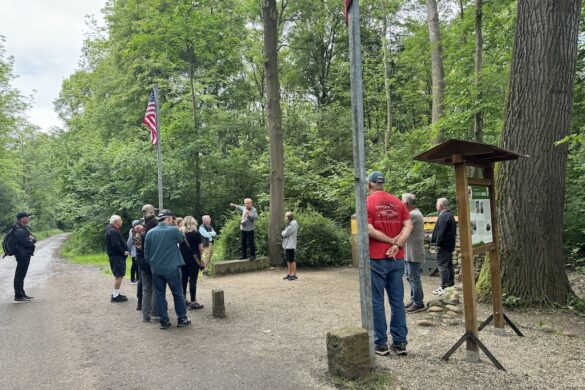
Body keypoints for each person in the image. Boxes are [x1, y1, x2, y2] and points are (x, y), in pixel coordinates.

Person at [366, 171, 413, 356]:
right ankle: (400, 343)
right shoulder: (398, 202)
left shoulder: (367, 202)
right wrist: (398, 243)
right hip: (397, 258)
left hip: (376, 258)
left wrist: (390, 241)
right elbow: (408, 224)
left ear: (369, 184)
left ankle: (381, 344)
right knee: (397, 301)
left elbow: (368, 229)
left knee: (377, 301)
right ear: (382, 183)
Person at [144, 209, 191, 329]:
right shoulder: (173, 230)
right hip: (172, 268)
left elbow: (147, 255)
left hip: (156, 269)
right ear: (169, 218)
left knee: (159, 295)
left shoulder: (150, 233)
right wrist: (176, 226)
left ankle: (164, 321)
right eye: (173, 219)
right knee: (178, 293)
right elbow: (182, 239)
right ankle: (182, 318)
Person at [402, 193, 426, 313]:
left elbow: (400, 227)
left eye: (402, 201)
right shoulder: (414, 213)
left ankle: (418, 303)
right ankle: (414, 299)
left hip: (413, 252)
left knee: (414, 278)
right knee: (410, 277)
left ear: (406, 203)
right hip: (410, 252)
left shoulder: (412, 215)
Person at [431, 197, 457, 295]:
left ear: (441, 206)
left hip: (443, 245)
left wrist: (438, 244)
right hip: (449, 245)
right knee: (448, 264)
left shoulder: (443, 216)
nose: (436, 206)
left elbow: (440, 232)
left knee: (442, 265)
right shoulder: (450, 215)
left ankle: (443, 286)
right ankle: (450, 284)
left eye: (437, 204)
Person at [179, 216, 204, 310]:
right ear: (194, 223)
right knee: (193, 280)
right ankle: (193, 301)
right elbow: (201, 248)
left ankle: (183, 299)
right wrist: (201, 257)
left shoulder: (180, 234)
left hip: (182, 259)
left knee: (183, 279)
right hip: (194, 260)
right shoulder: (196, 234)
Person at [139, 204, 159, 322]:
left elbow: (138, 249)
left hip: (143, 263)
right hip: (154, 262)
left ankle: (145, 315)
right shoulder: (155, 230)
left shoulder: (138, 229)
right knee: (156, 288)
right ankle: (155, 313)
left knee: (146, 289)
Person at [11, 211, 36, 303]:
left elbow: (34, 239)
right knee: (19, 275)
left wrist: (31, 239)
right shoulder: (19, 230)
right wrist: (31, 240)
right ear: (22, 219)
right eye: (27, 217)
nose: (29, 218)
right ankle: (18, 296)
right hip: (22, 255)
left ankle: (22, 293)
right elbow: (29, 242)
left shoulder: (23, 228)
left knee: (22, 275)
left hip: (25, 254)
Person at [105, 215, 129, 303]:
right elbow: (115, 245)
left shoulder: (112, 230)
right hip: (117, 257)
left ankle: (116, 293)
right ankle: (115, 296)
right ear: (115, 222)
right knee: (119, 275)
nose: (122, 221)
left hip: (116, 256)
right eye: (120, 220)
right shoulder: (113, 231)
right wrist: (123, 252)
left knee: (118, 275)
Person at [131, 222, 145, 311]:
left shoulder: (137, 235)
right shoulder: (137, 236)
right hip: (142, 260)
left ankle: (140, 303)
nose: (141, 227)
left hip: (139, 259)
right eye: (138, 226)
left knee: (141, 280)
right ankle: (140, 302)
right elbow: (140, 248)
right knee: (141, 281)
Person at [281, 211, 299, 281]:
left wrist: (283, 232)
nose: (284, 218)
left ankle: (294, 275)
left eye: (285, 217)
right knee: (288, 260)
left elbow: (284, 233)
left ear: (288, 217)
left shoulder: (293, 224)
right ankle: (289, 274)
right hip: (287, 244)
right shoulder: (289, 224)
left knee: (291, 260)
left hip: (290, 244)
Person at [127, 220, 141, 284]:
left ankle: (138, 279)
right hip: (134, 252)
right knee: (134, 265)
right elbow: (129, 243)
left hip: (137, 251)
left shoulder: (138, 232)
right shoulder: (132, 233)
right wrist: (129, 251)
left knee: (138, 265)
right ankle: (132, 279)